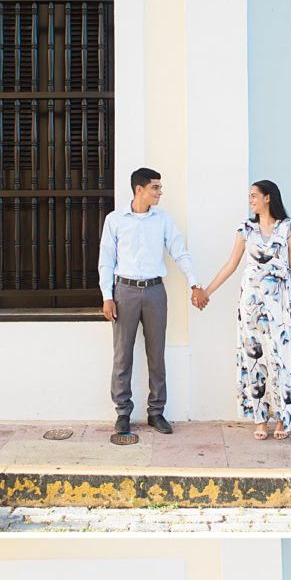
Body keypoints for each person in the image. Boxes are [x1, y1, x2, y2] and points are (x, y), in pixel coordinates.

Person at [98, 167, 208, 442]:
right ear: (139, 190)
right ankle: (123, 413)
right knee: (122, 355)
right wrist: (107, 296)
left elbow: (179, 251)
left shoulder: (163, 220)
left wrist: (195, 283)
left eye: (160, 187)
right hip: (124, 290)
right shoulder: (115, 220)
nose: (160, 192)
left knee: (156, 354)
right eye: (155, 187)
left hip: (155, 290)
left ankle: (156, 411)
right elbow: (105, 260)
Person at [201, 180, 291, 440]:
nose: (251, 200)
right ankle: (260, 418)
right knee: (254, 359)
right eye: (250, 196)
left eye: (254, 195)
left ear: (268, 198)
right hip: (251, 306)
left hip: (280, 304)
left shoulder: (289, 229)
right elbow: (231, 265)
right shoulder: (245, 230)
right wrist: (207, 291)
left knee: (281, 359)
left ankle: (282, 418)